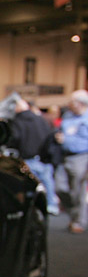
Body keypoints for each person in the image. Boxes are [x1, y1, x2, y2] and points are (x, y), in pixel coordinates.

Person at [9, 96, 60, 215]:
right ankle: (52, 205)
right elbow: (50, 136)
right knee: (48, 183)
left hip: (27, 158)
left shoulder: (17, 122)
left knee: (29, 188)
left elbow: (15, 138)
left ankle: (29, 210)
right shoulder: (41, 120)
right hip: (43, 159)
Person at [56, 89, 88, 233]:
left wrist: (67, 139)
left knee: (78, 191)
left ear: (80, 104)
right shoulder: (68, 116)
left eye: (72, 101)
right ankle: (73, 214)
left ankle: (78, 221)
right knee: (59, 187)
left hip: (81, 157)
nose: (69, 104)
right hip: (65, 156)